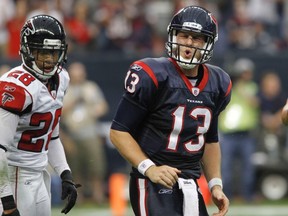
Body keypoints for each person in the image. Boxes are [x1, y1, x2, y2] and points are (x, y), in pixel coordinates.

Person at [110, 5, 231, 216]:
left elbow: (210, 139)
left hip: (191, 183)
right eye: (184, 36)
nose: (189, 44)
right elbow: (118, 131)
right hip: (152, 182)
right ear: (173, 36)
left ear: (208, 43)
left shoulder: (219, 83)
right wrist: (150, 168)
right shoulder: (151, 74)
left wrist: (215, 185)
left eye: (197, 38)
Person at [0, 15, 80, 216]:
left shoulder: (62, 78)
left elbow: (51, 136)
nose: (49, 59)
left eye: (53, 52)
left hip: (39, 174)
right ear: (28, 50)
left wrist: (65, 173)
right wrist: (7, 201)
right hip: (13, 175)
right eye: (42, 52)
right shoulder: (15, 87)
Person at [61, 61, 109, 204]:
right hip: (72, 134)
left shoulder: (91, 87)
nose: (78, 77)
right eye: (75, 75)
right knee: (75, 169)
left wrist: (94, 110)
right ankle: (78, 198)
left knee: (96, 168)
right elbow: (59, 113)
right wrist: (73, 102)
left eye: (80, 74)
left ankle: (98, 196)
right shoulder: (64, 89)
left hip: (90, 133)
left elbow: (103, 106)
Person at [219, 58, 259, 202]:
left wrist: (239, 86)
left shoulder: (252, 87)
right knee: (226, 167)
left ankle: (247, 196)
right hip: (228, 135)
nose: (245, 75)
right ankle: (226, 196)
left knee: (248, 167)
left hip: (246, 134)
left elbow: (254, 103)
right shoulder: (227, 88)